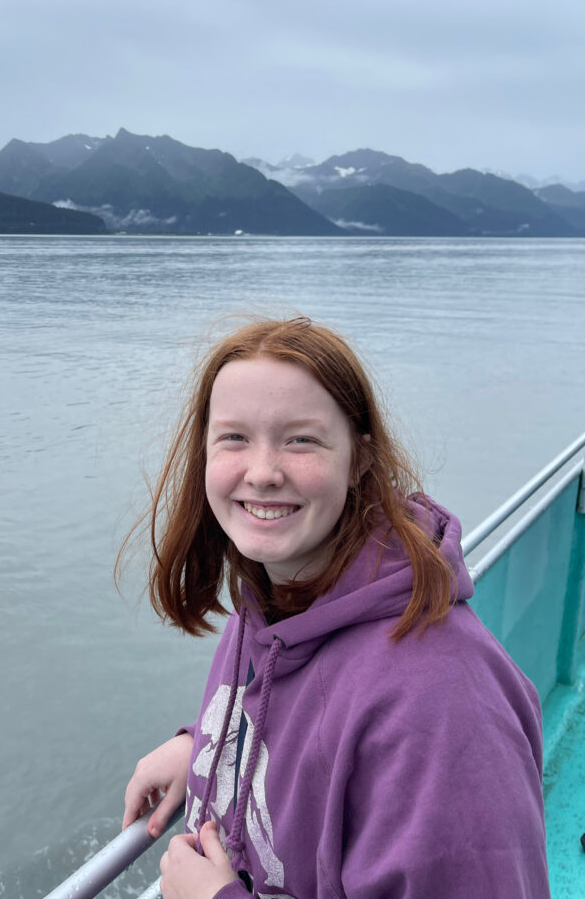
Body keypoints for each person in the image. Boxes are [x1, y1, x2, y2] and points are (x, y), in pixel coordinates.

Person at [119, 317, 549, 899]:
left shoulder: (440, 704)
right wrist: (207, 746)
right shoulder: (274, 599)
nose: (263, 472)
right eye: (233, 437)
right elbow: (300, 710)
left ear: (360, 459)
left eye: (302, 439)